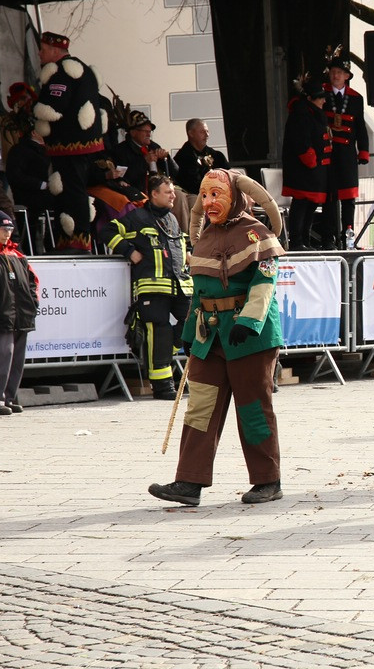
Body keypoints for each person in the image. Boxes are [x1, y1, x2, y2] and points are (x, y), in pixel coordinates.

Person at [148, 169, 286, 507]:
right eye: (205, 195)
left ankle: (268, 481)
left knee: (252, 407)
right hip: (209, 338)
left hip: (249, 338)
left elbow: (264, 283)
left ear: (235, 198)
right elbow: (200, 292)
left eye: (216, 195)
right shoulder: (204, 238)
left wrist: (250, 321)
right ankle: (188, 482)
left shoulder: (257, 233)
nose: (208, 202)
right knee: (200, 408)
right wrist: (187, 334)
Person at [101, 174, 192, 400]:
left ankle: (168, 360)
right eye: (168, 192)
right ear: (153, 194)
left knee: (191, 323)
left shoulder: (172, 218)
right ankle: (162, 387)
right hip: (152, 288)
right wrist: (129, 251)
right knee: (159, 332)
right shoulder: (136, 217)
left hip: (180, 286)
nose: (173, 195)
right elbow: (107, 231)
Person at [33, 31, 105, 252]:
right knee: (73, 189)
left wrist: (35, 110)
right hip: (81, 144)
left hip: (69, 146)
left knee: (71, 191)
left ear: (55, 51)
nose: (39, 54)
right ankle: (73, 240)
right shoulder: (84, 70)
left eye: (43, 50)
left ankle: (77, 242)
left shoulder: (62, 73)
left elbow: (54, 106)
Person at [320, 49, 370, 247]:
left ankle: (347, 236)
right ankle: (328, 238)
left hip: (348, 153)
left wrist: (363, 151)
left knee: (349, 197)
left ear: (347, 76)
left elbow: (360, 126)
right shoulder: (321, 94)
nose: (335, 75)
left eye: (339, 72)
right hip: (328, 152)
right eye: (333, 71)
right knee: (330, 197)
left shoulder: (356, 98)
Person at [0, 210, 39, 415]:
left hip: (21, 316)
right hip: (0, 317)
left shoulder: (17, 255)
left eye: (10, 229)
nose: (7, 233)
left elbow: (32, 282)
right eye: (3, 229)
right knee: (1, 357)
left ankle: (9, 398)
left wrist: (33, 302)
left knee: (16, 360)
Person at [110, 111, 184, 230]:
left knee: (179, 196)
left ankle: (181, 234)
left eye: (150, 131)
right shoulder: (120, 151)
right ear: (133, 132)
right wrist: (144, 161)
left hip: (157, 190)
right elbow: (124, 179)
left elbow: (176, 173)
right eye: (145, 131)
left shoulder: (153, 146)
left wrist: (166, 158)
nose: (149, 134)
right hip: (137, 193)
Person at [281, 77, 331, 251]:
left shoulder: (314, 113)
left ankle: (305, 240)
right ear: (310, 99)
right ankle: (296, 241)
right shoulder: (301, 114)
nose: (324, 100)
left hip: (314, 169)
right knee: (301, 204)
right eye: (321, 97)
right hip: (303, 169)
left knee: (311, 205)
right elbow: (300, 140)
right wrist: (310, 159)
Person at [6, 130, 52, 253]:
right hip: (29, 196)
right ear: (34, 132)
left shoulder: (49, 149)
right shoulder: (20, 150)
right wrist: (41, 184)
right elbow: (15, 176)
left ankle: (54, 245)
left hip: (48, 195)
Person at [173, 118, 230, 207]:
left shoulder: (216, 155)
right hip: (197, 197)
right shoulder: (182, 158)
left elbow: (229, 175)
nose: (207, 135)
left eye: (207, 131)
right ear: (191, 133)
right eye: (202, 132)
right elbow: (191, 186)